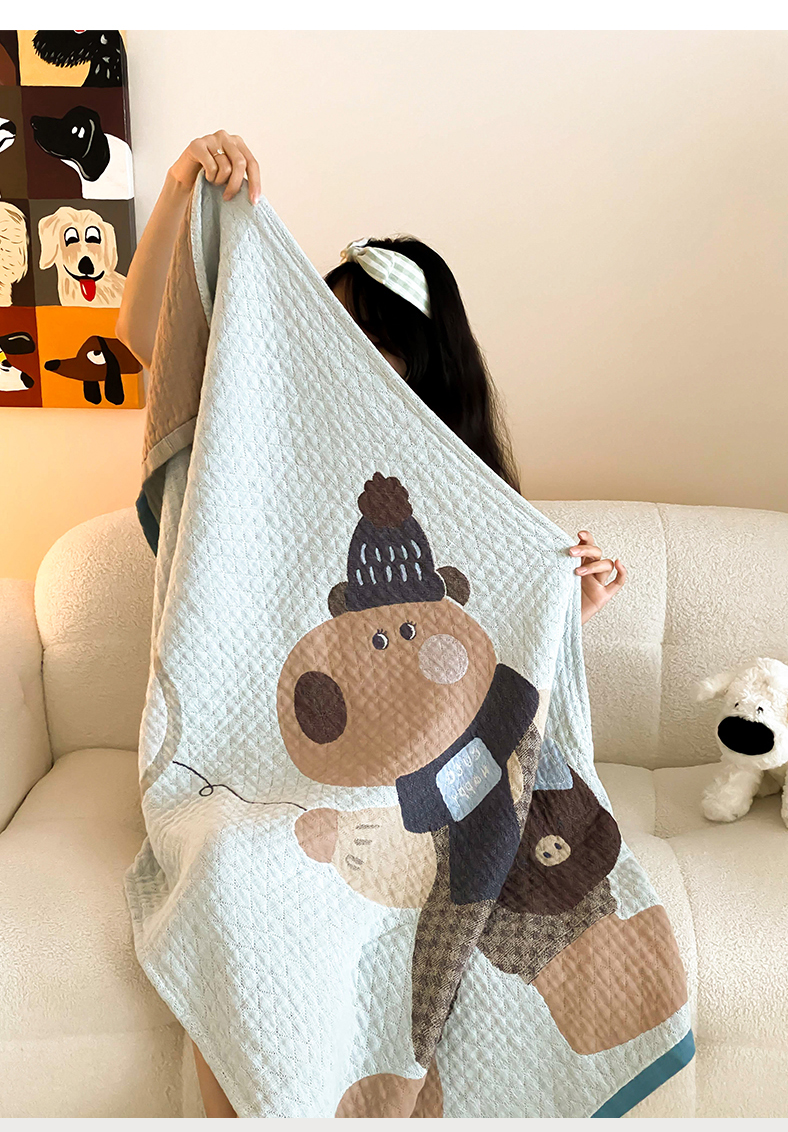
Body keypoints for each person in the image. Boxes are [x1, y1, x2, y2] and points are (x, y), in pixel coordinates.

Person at [116, 130, 628, 1118]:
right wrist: (180, 187)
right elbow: (152, 333)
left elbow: (493, 668)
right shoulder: (264, 456)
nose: (360, 371)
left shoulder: (471, 496)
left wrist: (573, 608)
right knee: (233, 872)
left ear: (425, 365)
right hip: (273, 764)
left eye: (380, 351)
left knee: (409, 870)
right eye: (342, 346)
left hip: (419, 779)